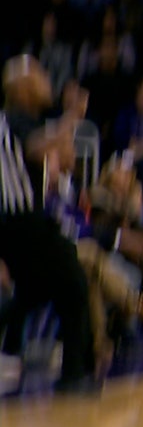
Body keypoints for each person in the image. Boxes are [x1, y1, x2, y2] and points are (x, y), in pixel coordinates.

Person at [0, 58, 97, 393]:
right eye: (39, 75)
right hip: (23, 222)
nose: (46, 80)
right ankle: (74, 376)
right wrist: (72, 116)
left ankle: (12, 350)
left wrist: (64, 130)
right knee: (74, 284)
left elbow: (64, 161)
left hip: (15, 227)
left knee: (33, 291)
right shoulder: (15, 118)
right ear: (23, 88)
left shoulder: (24, 120)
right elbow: (37, 146)